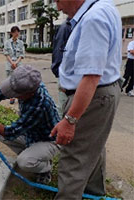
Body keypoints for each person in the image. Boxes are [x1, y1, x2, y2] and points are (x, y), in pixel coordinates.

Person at [50, 0, 122, 199]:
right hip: (102, 92)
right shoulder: (104, 7)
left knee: (74, 158)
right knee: (93, 148)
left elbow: (91, 76)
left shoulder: (93, 18)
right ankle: (94, 194)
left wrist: (70, 119)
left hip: (92, 95)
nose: (57, 7)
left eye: (57, 0)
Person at [0, 65, 60, 184]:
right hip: (32, 133)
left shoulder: (39, 105)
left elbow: (10, 133)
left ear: (29, 93)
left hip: (49, 140)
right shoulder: (27, 83)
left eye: (15, 93)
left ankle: (45, 168)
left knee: (24, 162)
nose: (12, 95)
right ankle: (33, 154)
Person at [51, 19, 72, 118]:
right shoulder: (66, 27)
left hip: (78, 78)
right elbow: (58, 53)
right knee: (63, 109)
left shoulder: (82, 24)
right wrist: (61, 75)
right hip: (67, 76)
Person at [3, 26, 25, 104]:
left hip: (18, 64)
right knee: (10, 81)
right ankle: (11, 97)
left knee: (19, 81)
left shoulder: (21, 43)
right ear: (12, 33)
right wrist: (12, 62)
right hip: (9, 64)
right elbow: (6, 54)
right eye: (15, 32)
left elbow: (22, 55)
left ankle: (19, 96)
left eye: (18, 32)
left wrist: (16, 63)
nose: (17, 33)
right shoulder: (7, 42)